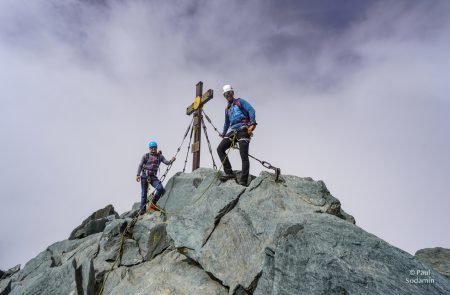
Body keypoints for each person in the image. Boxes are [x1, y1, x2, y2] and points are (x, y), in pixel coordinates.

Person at [217, 84, 257, 186]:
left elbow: (251, 110)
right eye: (226, 94)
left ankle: (243, 181)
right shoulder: (227, 109)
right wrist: (223, 133)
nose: (228, 95)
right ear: (224, 96)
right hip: (233, 130)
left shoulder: (240, 101)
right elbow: (227, 123)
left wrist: (252, 123)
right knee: (220, 149)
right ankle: (229, 173)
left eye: (229, 93)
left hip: (243, 128)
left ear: (233, 93)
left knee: (243, 155)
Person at [136, 141, 175, 214]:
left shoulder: (160, 156)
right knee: (144, 194)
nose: (153, 149)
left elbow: (167, 162)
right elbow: (140, 165)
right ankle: (142, 210)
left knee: (160, 189)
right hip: (144, 176)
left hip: (153, 177)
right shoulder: (146, 156)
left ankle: (153, 203)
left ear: (156, 148)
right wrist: (138, 175)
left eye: (154, 148)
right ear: (149, 149)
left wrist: (171, 160)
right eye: (152, 148)